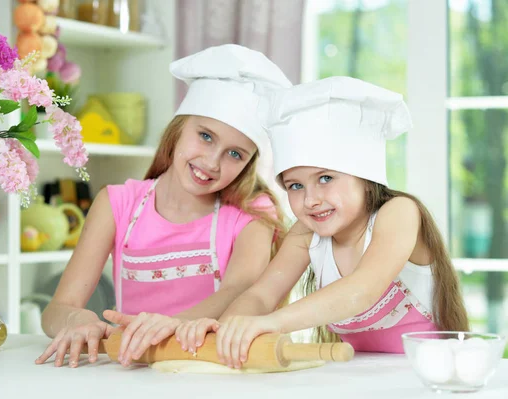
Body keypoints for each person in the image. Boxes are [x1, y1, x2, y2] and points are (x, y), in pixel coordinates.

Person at [184, 76, 470, 369]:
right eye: (295, 186)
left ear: (365, 175)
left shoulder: (399, 212)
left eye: (325, 179)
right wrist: (231, 329)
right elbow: (261, 294)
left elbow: (361, 290)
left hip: (429, 378)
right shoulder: (306, 233)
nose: (310, 200)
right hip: (354, 380)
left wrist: (271, 323)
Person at [35, 44, 292, 368]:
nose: (212, 162)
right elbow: (56, 311)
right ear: (178, 129)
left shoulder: (252, 211)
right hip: (135, 375)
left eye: (235, 154)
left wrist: (173, 324)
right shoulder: (117, 204)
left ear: (248, 163)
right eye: (206, 136)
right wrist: (77, 319)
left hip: (213, 376)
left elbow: (239, 290)